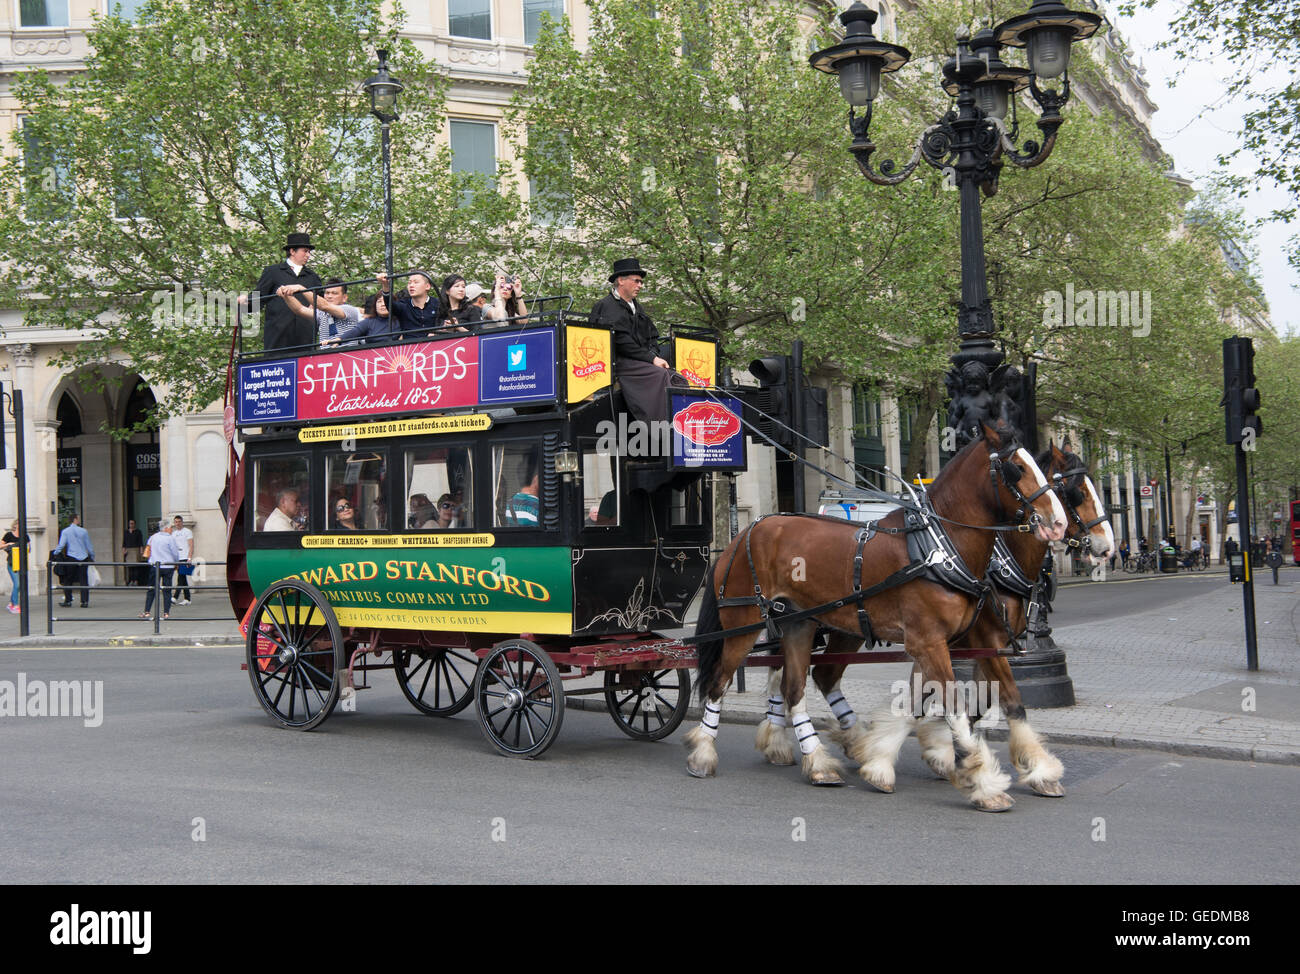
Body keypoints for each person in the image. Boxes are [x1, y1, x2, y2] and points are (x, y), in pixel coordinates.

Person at [589, 257, 684, 425]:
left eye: (641, 282)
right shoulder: (606, 306)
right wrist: (652, 359)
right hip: (619, 363)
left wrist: (654, 354)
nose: (640, 285)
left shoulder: (637, 307)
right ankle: (660, 424)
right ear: (621, 281)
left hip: (640, 360)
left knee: (676, 377)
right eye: (637, 281)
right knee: (660, 375)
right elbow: (621, 342)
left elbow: (651, 336)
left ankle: (681, 421)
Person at [242, 232, 324, 352]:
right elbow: (259, 298)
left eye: (309, 252)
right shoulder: (273, 272)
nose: (308, 255)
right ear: (292, 251)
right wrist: (245, 303)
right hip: (278, 337)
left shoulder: (313, 277)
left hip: (305, 338)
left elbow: (321, 302)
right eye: (305, 251)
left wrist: (315, 307)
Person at [279, 276, 361, 343]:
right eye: (327, 293)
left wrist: (301, 288)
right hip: (325, 357)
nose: (329, 296)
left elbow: (324, 306)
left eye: (334, 293)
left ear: (344, 298)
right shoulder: (322, 313)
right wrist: (286, 295)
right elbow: (300, 309)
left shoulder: (350, 310)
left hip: (346, 356)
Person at [377, 270, 440, 338]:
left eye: (416, 282)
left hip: (435, 345)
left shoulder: (438, 304)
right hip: (410, 346)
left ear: (427, 286)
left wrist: (437, 333)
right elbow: (390, 305)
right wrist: (385, 285)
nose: (411, 285)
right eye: (409, 283)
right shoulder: (403, 305)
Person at [52, 513, 94, 608]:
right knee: (83, 580)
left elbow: (61, 545)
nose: (79, 520)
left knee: (68, 579)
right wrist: (92, 555)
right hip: (83, 558)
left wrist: (55, 553)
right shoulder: (83, 531)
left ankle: (68, 600)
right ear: (75, 519)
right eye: (78, 518)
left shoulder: (66, 531)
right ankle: (84, 601)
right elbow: (89, 546)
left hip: (71, 557)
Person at [141, 521, 180, 620]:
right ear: (166, 528)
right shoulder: (170, 539)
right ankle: (166, 613)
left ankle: (147, 611)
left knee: (152, 589)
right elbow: (175, 553)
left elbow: (148, 548)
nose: (171, 529)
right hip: (168, 566)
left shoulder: (153, 537)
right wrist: (176, 563)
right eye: (170, 527)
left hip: (155, 566)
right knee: (167, 590)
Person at [328, 292, 397, 346]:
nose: (383, 304)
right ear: (375, 305)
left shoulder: (400, 320)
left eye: (386, 301)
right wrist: (338, 340)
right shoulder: (369, 322)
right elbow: (355, 331)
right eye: (379, 301)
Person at [3, 520, 27, 613]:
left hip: (22, 563)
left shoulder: (25, 536)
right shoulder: (9, 535)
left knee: (19, 585)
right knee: (17, 584)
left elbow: (29, 549)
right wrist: (8, 544)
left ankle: (11, 603)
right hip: (12, 563)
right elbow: (1, 545)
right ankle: (15, 605)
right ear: (15, 525)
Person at [171, 515, 194, 606]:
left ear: (182, 522)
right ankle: (187, 599)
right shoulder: (173, 533)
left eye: (179, 521)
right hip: (178, 558)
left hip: (185, 557)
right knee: (183, 578)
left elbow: (191, 545)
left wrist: (189, 558)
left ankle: (175, 597)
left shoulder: (187, 532)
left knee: (180, 577)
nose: (178, 523)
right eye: (176, 522)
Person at [121, 518, 145, 586]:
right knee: (130, 567)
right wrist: (123, 549)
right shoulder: (126, 532)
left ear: (134, 524)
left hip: (135, 549)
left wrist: (141, 551)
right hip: (128, 550)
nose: (131, 525)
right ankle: (131, 580)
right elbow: (124, 542)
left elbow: (140, 542)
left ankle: (136, 580)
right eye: (130, 523)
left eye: (132, 523)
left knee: (136, 566)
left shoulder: (138, 531)